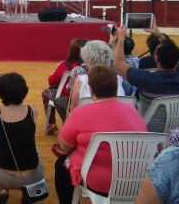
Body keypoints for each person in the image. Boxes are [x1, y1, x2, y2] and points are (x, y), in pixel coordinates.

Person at [54, 65, 147, 204]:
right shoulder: (132, 109)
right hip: (135, 178)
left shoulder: (80, 112)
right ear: (116, 87)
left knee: (61, 165)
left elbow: (64, 146)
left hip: (99, 181)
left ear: (91, 89)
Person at [0, 72, 43, 204]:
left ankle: (4, 189)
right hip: (33, 177)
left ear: (0, 92)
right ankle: (26, 193)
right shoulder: (33, 111)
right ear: (24, 91)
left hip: (2, 176)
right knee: (33, 146)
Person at [114, 23, 179, 122]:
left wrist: (121, 39)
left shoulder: (145, 78)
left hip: (150, 131)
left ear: (156, 58)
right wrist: (159, 35)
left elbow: (119, 63)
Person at [44, 38, 87, 134]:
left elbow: (51, 81)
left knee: (46, 93)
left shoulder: (63, 65)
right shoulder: (91, 66)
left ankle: (52, 123)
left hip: (66, 97)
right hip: (87, 97)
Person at [69, 40, 126, 110]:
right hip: (116, 117)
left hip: (88, 118)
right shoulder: (118, 78)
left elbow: (73, 108)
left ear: (86, 58)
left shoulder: (81, 80)